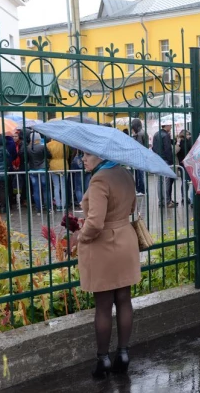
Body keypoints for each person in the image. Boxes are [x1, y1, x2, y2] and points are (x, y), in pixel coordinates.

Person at [76, 153, 140, 378]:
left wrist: (80, 237)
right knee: (124, 300)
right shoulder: (126, 174)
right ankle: (123, 354)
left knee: (103, 305)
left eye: (87, 155)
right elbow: (132, 207)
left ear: (101, 156)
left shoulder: (99, 179)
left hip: (104, 246)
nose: (83, 159)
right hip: (125, 241)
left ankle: (103, 359)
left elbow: (94, 223)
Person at [152, 123, 176, 208]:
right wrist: (171, 161)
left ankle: (160, 201)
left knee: (160, 181)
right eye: (170, 126)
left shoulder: (156, 134)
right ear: (167, 126)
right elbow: (168, 149)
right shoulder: (165, 135)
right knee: (166, 181)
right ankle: (167, 201)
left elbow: (153, 148)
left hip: (158, 159)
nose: (171, 127)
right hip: (165, 160)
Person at [26, 133, 51, 214]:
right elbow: (49, 155)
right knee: (46, 189)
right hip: (43, 169)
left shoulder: (28, 148)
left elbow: (26, 158)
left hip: (32, 170)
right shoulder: (42, 146)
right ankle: (48, 208)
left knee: (36, 190)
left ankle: (38, 209)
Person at [46, 138, 69, 212]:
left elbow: (48, 157)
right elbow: (67, 155)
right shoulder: (64, 144)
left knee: (56, 186)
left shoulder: (49, 145)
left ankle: (58, 205)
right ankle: (64, 205)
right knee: (63, 186)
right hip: (63, 165)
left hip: (53, 165)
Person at [131, 119, 147, 196]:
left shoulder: (139, 134)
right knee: (138, 173)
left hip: (139, 156)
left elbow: (138, 145)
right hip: (141, 156)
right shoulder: (142, 132)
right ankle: (139, 189)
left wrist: (134, 136)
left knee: (139, 174)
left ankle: (141, 190)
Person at [176, 130, 192, 205]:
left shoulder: (178, 142)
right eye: (188, 134)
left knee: (184, 181)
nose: (189, 136)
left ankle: (184, 197)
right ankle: (186, 198)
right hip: (187, 164)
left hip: (181, 164)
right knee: (187, 182)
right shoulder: (187, 142)